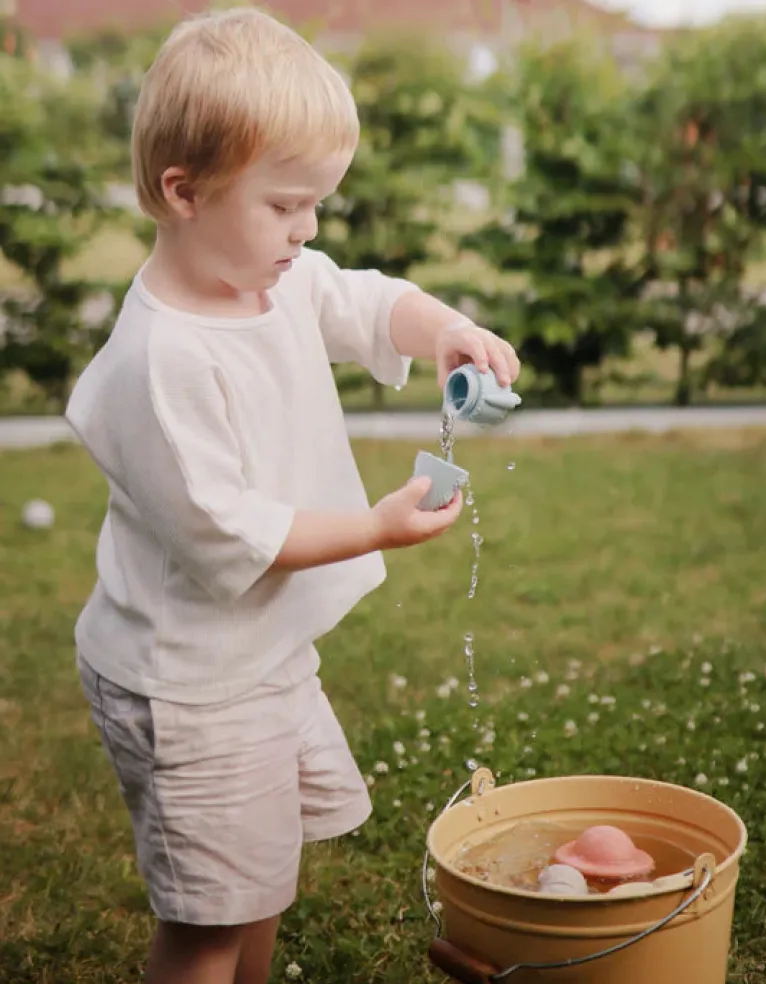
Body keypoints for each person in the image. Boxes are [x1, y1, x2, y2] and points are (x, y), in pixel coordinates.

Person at [65, 7, 520, 983]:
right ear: (183, 192)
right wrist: (374, 527)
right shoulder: (159, 364)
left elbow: (358, 300)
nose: (306, 228)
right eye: (285, 205)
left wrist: (441, 327)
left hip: (256, 658)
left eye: (315, 203)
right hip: (186, 685)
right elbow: (231, 530)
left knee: (258, 886)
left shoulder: (270, 281)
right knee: (207, 924)